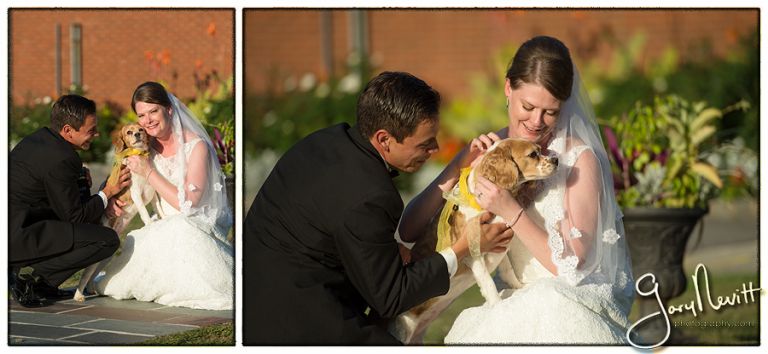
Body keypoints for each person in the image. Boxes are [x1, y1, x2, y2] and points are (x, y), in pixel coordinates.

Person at [243, 71, 513, 345]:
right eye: (425, 143)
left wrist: (458, 165)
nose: (435, 148)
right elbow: (391, 297)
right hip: (298, 323)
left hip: (256, 294)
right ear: (384, 139)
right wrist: (464, 246)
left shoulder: (326, 141)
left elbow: (333, 228)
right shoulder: (369, 196)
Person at [399, 36, 635, 344]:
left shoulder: (578, 159)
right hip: (512, 299)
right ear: (508, 88)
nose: (537, 121)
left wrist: (509, 210)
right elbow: (410, 227)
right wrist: (460, 163)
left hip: (562, 300)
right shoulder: (492, 150)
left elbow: (572, 265)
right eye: (528, 106)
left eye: (550, 111)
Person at [95, 82, 234, 311]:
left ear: (168, 109)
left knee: (186, 247)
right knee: (119, 281)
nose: (147, 120)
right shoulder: (145, 145)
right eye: (141, 115)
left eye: (153, 111)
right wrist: (112, 199)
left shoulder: (195, 146)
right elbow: (118, 171)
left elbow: (188, 204)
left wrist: (147, 171)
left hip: (195, 224)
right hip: (161, 225)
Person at [9, 94, 130, 307]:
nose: (96, 134)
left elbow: (58, 198)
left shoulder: (39, 139)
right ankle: (34, 282)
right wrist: (108, 192)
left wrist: (81, 184)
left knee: (89, 227)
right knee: (106, 239)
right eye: (91, 130)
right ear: (67, 130)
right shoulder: (63, 158)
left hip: (18, 222)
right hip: (18, 235)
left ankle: (40, 283)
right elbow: (76, 216)